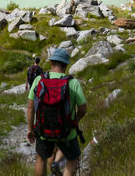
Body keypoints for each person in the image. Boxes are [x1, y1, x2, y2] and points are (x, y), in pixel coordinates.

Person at [26, 47, 87, 176]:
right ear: (65, 66)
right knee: (72, 160)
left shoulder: (39, 80)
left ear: (51, 63)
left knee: (41, 158)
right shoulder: (73, 83)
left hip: (43, 130)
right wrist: (74, 121)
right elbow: (83, 109)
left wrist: (30, 129)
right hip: (67, 131)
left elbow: (30, 107)